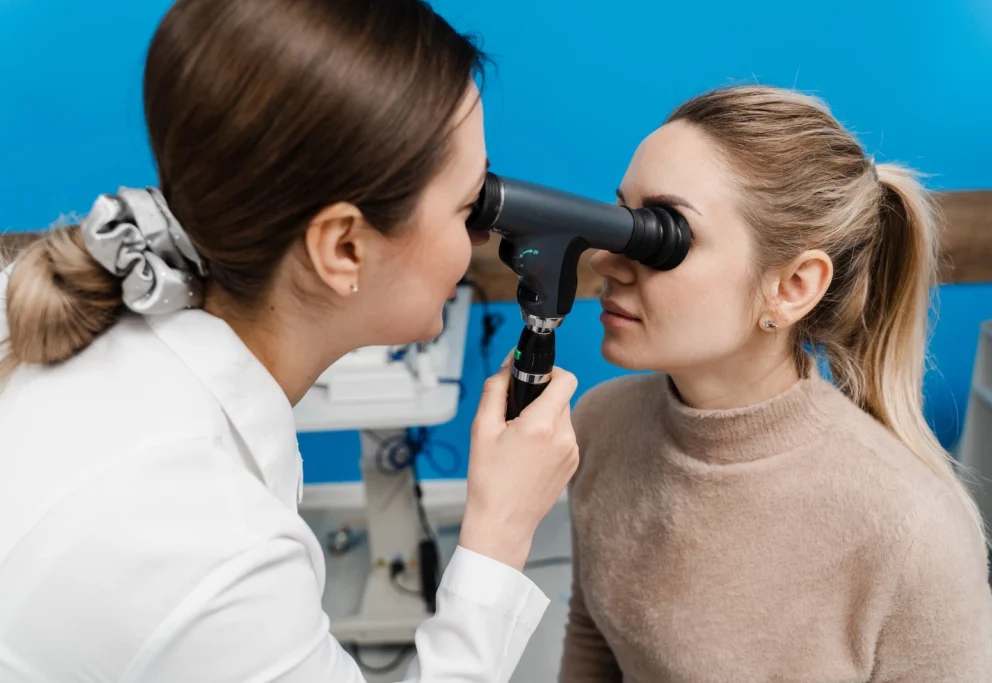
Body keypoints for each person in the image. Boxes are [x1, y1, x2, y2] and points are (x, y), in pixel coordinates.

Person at [0, 1, 581, 681]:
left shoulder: (124, 348)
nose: (482, 235)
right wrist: (500, 530)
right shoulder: (212, 553)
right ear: (342, 247)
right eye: (466, 207)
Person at [559, 85, 992, 683]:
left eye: (660, 233)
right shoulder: (600, 422)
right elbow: (593, 637)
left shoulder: (911, 531)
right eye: (621, 218)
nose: (606, 259)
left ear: (793, 286)